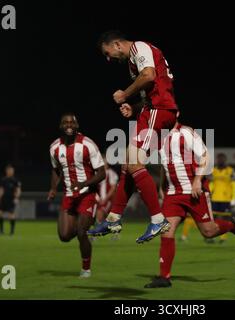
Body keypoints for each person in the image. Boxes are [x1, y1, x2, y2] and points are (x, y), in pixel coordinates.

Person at [89, 30, 178, 243]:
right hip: (150, 110)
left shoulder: (140, 48)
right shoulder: (133, 61)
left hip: (160, 110)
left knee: (135, 162)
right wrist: (134, 108)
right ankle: (113, 218)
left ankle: (158, 219)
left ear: (118, 44)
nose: (109, 58)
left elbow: (149, 75)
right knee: (128, 163)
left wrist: (125, 94)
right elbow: (150, 90)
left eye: (108, 53)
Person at [144, 121, 235, 288]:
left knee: (208, 231)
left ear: (175, 114)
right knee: (166, 232)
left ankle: (230, 225)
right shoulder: (159, 137)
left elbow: (206, 157)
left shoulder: (186, 132)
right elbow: (165, 164)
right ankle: (164, 277)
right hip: (173, 193)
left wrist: (198, 180)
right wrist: (162, 186)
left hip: (194, 190)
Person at [48, 113, 105, 278]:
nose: (69, 125)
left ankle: (86, 268)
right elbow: (56, 170)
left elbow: (101, 174)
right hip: (69, 196)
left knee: (81, 232)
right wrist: (53, 188)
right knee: (64, 236)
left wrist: (83, 184)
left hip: (87, 194)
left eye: (72, 122)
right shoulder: (54, 148)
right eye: (65, 122)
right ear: (60, 125)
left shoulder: (88, 144)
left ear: (77, 125)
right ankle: (86, 227)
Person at [0, 164, 21, 236]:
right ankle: (1, 230)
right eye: (9, 170)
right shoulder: (3, 180)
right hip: (3, 199)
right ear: (6, 171)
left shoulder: (15, 180)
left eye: (12, 170)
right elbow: (1, 190)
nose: (11, 171)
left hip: (11, 200)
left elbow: (18, 190)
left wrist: (16, 198)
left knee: (11, 215)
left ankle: (12, 232)